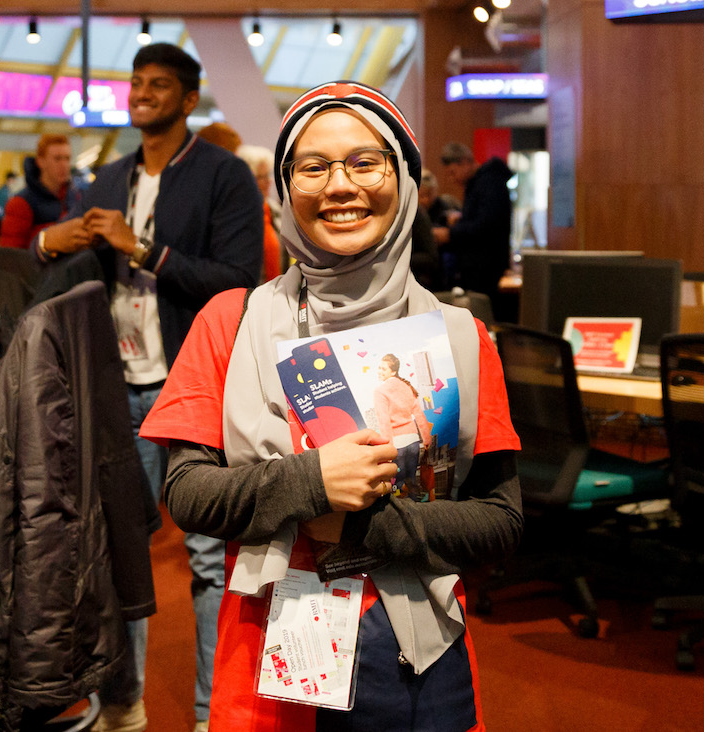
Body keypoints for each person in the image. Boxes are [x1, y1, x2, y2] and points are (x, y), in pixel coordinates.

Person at [142, 81, 522, 730]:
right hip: (273, 651)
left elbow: (500, 521)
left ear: (404, 179)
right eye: (313, 167)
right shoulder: (232, 322)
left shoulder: (460, 336)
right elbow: (188, 494)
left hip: (418, 660)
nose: (340, 186)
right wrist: (311, 481)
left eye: (366, 162)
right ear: (285, 188)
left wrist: (358, 527)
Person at [38, 43, 262, 732]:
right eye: (136, 82)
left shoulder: (224, 174)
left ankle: (211, 714)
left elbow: (239, 281)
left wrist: (144, 250)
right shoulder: (107, 178)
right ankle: (123, 706)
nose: (141, 93)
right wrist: (52, 241)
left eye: (158, 84)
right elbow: (67, 273)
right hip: (114, 386)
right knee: (116, 556)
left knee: (209, 557)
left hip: (194, 386)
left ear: (189, 99)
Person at [434, 141, 514, 315]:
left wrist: (450, 234)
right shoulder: (480, 183)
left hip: (486, 269)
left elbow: (487, 226)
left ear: (464, 162)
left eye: (452, 172)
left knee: (484, 317)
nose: (451, 179)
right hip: (481, 267)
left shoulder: (489, 182)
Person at [0, 134, 82, 249]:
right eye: (57, 159)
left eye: (67, 158)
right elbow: (10, 253)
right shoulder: (20, 203)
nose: (64, 165)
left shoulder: (76, 197)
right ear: (41, 161)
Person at [373, 353, 433, 499]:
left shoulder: (380, 391)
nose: (379, 371)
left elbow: (384, 422)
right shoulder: (406, 387)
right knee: (411, 480)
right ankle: (415, 505)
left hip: (397, 445)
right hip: (413, 442)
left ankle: (403, 508)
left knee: (398, 483)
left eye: (383, 369)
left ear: (393, 371)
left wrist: (387, 450)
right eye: (379, 368)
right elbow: (419, 414)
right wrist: (426, 439)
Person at [237, 144, 285, 282]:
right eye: (262, 177)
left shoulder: (274, 210)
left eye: (268, 175)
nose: (269, 182)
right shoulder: (235, 215)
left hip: (279, 289)